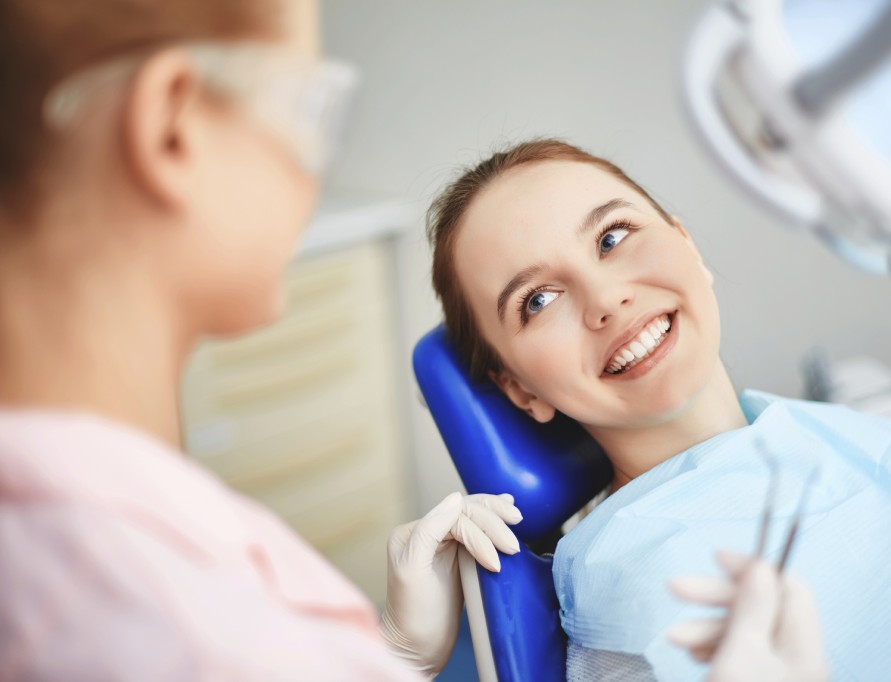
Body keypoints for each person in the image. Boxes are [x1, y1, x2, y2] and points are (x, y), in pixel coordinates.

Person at [0, 2, 524, 679]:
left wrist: (394, 655)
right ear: (173, 128)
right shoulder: (179, 631)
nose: (312, 171)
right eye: (309, 107)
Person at [425, 138, 891, 680]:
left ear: (688, 245)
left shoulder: (853, 437)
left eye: (612, 237)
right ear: (520, 390)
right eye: (539, 300)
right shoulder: (641, 600)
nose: (607, 299)